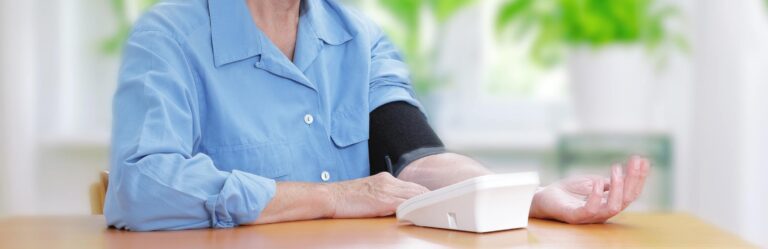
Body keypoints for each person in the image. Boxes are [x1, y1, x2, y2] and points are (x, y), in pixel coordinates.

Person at [105, 0, 650, 231]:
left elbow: (415, 157)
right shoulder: (168, 37)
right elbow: (141, 186)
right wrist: (333, 197)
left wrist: (523, 195)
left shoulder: (359, 37)